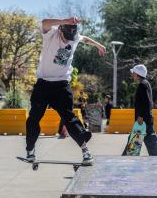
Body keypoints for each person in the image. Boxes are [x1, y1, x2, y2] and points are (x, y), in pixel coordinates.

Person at [25, 17, 106, 165]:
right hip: (43, 84)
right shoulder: (51, 33)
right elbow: (44, 23)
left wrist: (98, 45)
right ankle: (30, 150)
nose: (67, 41)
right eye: (65, 37)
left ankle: (85, 151)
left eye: (70, 38)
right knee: (34, 118)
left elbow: (85, 39)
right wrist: (65, 20)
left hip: (61, 86)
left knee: (69, 118)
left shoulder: (74, 37)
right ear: (60, 29)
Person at [124, 64, 157, 156]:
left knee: (132, 150)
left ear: (137, 74)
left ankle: (124, 163)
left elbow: (147, 104)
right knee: (151, 146)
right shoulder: (146, 83)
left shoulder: (142, 85)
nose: (132, 75)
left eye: (133, 73)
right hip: (146, 121)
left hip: (142, 122)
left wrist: (140, 118)